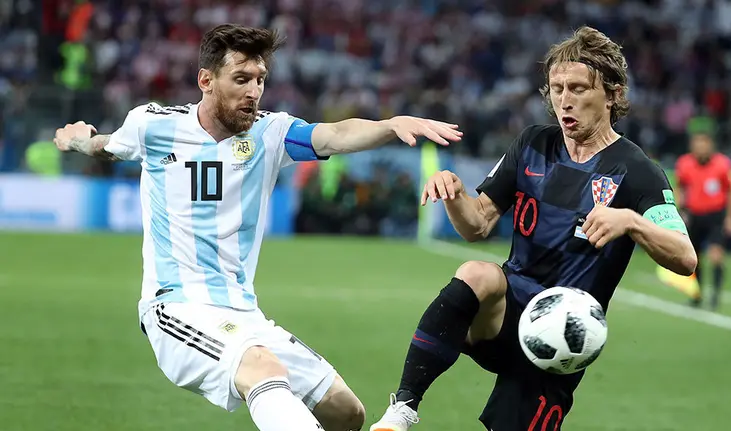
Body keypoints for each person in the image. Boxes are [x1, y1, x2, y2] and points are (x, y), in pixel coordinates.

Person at [52, 24, 462, 431]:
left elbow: (335, 135)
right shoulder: (154, 125)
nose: (254, 92)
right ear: (206, 81)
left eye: (261, 80)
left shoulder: (271, 133)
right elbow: (107, 146)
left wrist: (389, 126)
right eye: (242, 79)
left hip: (244, 313)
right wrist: (78, 140)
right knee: (263, 369)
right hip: (176, 306)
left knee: (345, 411)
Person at [368, 26, 697, 431]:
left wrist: (631, 221)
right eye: (557, 88)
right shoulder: (531, 144)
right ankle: (403, 407)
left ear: (611, 94)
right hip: (509, 310)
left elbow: (685, 258)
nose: (564, 100)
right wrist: (454, 195)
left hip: (562, 336)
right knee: (476, 272)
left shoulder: (638, 171)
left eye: (578, 88)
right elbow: (478, 223)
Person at [674, 133, 731, 308]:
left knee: (716, 255)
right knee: (694, 258)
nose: (700, 148)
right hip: (693, 215)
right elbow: (680, 186)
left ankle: (715, 296)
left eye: (703, 144)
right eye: (697, 145)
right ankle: (697, 294)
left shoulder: (722, 164)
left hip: (715, 215)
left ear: (710, 145)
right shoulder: (685, 163)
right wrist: (680, 210)